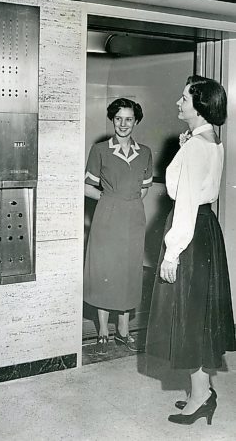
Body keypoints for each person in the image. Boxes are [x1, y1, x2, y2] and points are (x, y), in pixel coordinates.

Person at [146, 76, 236, 425]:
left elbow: (183, 200)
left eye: (184, 98)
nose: (178, 103)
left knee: (187, 315)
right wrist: (185, 149)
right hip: (206, 230)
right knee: (197, 315)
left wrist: (172, 253)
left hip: (189, 230)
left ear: (198, 106)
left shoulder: (195, 147)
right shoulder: (213, 141)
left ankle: (201, 396)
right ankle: (204, 389)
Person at [83, 98, 152, 354]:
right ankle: (103, 329)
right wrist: (109, 200)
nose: (123, 124)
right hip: (107, 216)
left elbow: (144, 188)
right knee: (104, 269)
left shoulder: (144, 152)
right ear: (113, 120)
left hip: (133, 217)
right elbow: (87, 186)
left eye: (129, 119)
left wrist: (129, 204)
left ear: (136, 121)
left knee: (128, 272)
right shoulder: (100, 149)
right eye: (119, 118)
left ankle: (123, 330)